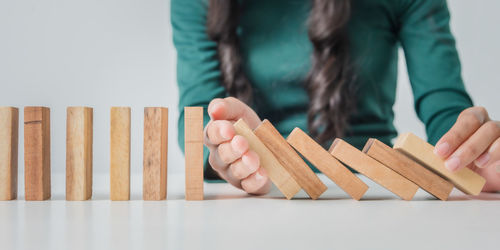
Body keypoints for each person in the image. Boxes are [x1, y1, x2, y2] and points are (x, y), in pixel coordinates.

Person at [172, 0, 500, 195]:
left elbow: (446, 110)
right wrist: (231, 150)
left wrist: (472, 154)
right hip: (257, 200)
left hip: (374, 192)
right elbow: (198, 116)